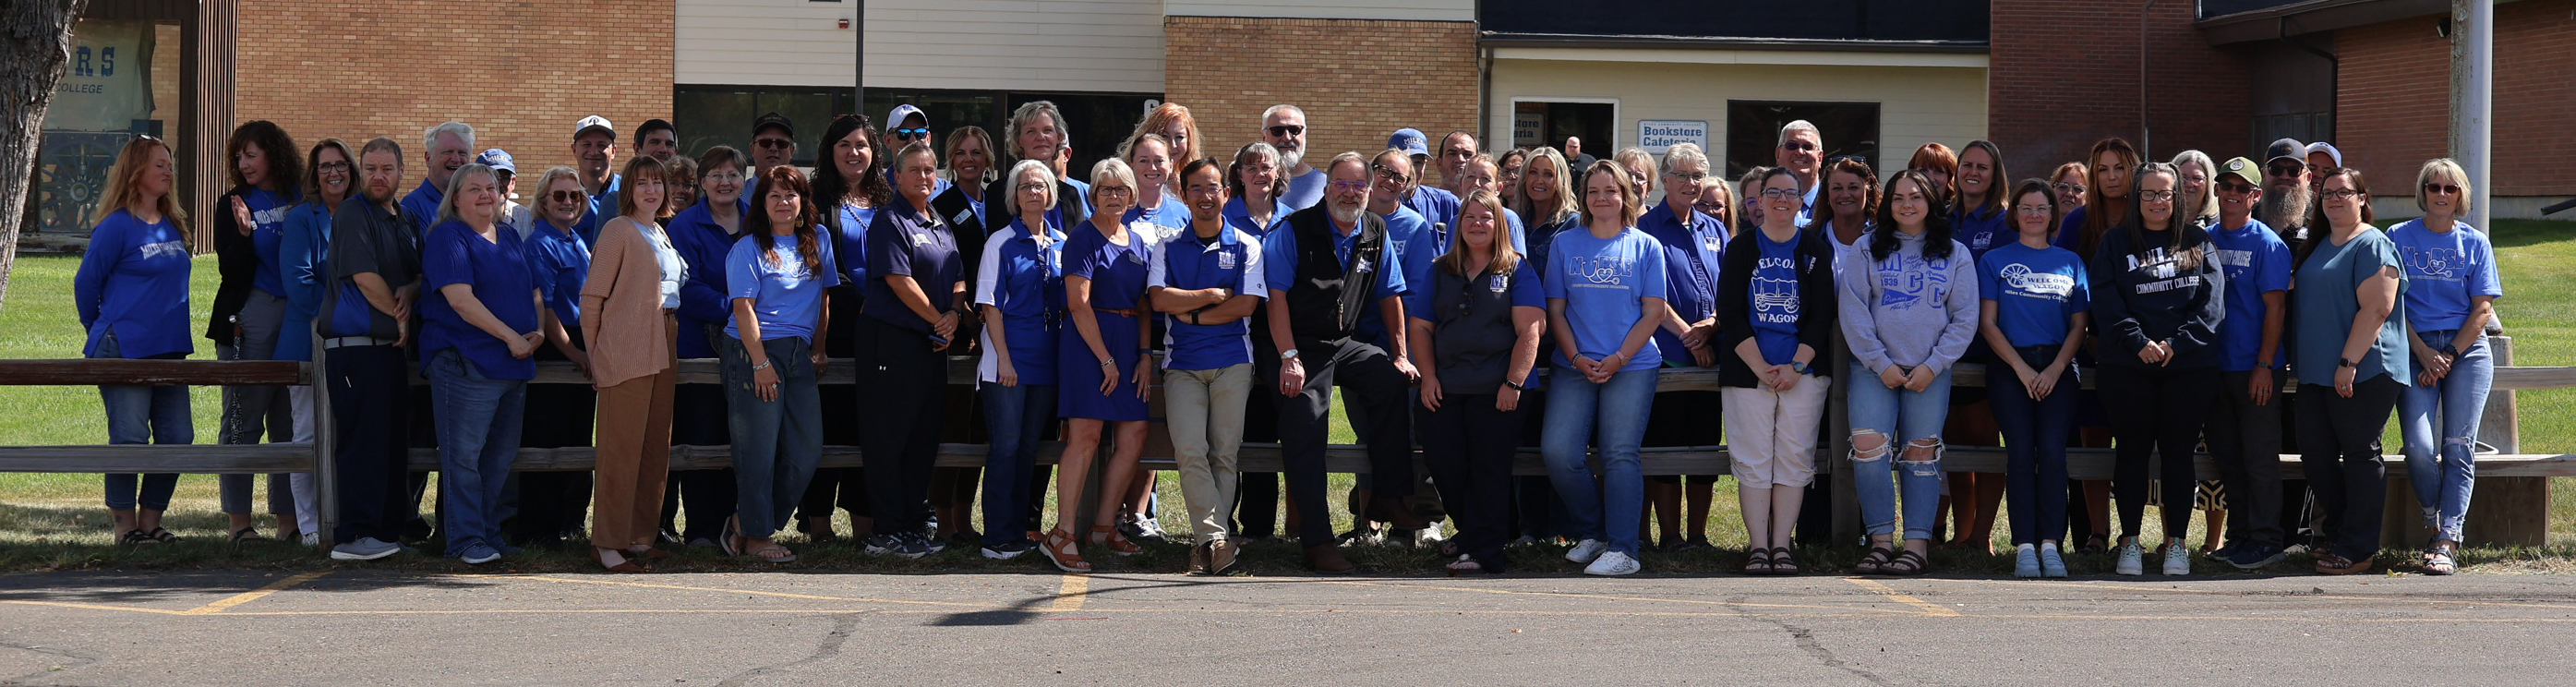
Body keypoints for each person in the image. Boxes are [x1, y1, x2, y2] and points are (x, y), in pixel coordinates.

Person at [1262, 151, 1414, 573]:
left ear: (1369, 190)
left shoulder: (1375, 230)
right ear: (1327, 188)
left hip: (1342, 342)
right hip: (1295, 345)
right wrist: (1289, 357)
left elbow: (1391, 295)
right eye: (1342, 184)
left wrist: (1401, 356)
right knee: (1307, 420)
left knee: (1388, 381)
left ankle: (1387, 498)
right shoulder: (1293, 230)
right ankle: (1317, 542)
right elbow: (1275, 299)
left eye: (1358, 185)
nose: (1350, 193)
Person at [1838, 169, 1979, 576]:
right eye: (1898, 198)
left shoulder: (1955, 253)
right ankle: (1881, 542)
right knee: (1869, 453)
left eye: (1916, 196)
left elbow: (1965, 317)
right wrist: (1879, 363)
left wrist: (1934, 365)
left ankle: (1917, 545)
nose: (1907, 204)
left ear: (1931, 202)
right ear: (1888, 205)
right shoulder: (1866, 248)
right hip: (1874, 369)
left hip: (1929, 372)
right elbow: (1853, 310)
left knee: (1920, 456)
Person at [2088, 162, 2224, 577]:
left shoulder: (2199, 241)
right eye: (2148, 193)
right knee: (2131, 452)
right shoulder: (2115, 243)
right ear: (2136, 198)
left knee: (2178, 454)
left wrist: (2175, 344)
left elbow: (2212, 305)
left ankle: (2176, 544)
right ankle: (2129, 542)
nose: (2157, 201)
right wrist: (2139, 342)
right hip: (2127, 366)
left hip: (2188, 367)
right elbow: (2105, 301)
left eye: (2165, 193)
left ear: (2178, 197)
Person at [1539, 161, 1667, 577]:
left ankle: (1625, 550)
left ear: (1625, 195)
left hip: (1631, 364)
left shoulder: (1646, 246)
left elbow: (1654, 312)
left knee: (1619, 453)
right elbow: (1555, 310)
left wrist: (1619, 358)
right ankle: (1593, 533)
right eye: (1593, 191)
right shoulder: (1565, 244)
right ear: (1583, 197)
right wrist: (1576, 357)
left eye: (1611, 190)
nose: (1602, 198)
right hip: (1574, 364)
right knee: (1559, 452)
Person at [1409, 188, 1542, 573]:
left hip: (1499, 390)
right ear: (1459, 225)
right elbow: (1420, 327)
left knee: (1488, 468)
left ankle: (1485, 551)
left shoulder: (1517, 269)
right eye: (1469, 217)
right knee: (1444, 463)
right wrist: (1428, 377)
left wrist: (1513, 383)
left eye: (1486, 217)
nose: (1477, 224)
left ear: (1499, 224)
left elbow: (1531, 330)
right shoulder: (1440, 269)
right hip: (1445, 387)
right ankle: (1473, 534)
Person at [418, 163, 543, 565]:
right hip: (466, 362)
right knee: (464, 458)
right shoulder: (448, 236)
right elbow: (461, 301)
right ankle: (464, 540)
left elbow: (534, 291)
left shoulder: (510, 236)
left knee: (498, 459)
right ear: (455, 198)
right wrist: (510, 337)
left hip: (512, 366)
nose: (486, 194)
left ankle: (489, 534)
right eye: (475, 189)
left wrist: (538, 331)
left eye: (491, 187)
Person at [1150, 158, 1268, 575]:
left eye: (1213, 187)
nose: (1205, 196)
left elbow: (1245, 305)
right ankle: (1217, 540)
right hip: (1181, 364)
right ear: (1184, 196)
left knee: (1224, 453)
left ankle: (1208, 545)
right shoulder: (1167, 247)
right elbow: (1160, 299)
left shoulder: (1247, 245)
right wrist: (1210, 295)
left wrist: (1193, 314)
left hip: (1233, 361)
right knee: (1189, 450)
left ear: (1226, 194)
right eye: (1196, 189)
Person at [77, 136, 195, 547]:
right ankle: (124, 527)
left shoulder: (171, 222)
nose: (168, 170)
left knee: (178, 437)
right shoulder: (116, 226)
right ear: (135, 171)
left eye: (169, 164)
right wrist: (100, 328)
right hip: (123, 347)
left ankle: (150, 522)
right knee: (129, 438)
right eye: (159, 164)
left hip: (170, 349)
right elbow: (86, 283)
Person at [1718, 168, 1837, 574]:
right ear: (1759, 200)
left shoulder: (1816, 249)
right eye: (1773, 193)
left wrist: (1796, 367)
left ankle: (1782, 545)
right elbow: (1730, 313)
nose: (1781, 200)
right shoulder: (1740, 248)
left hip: (1803, 373)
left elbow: (1822, 315)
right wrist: (1761, 368)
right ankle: (1758, 547)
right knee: (1753, 460)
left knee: (1794, 458)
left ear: (1801, 200)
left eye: (1790, 193)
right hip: (1748, 372)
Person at [1041, 157, 1160, 567]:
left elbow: (1144, 305)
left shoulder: (1138, 242)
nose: (1113, 196)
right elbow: (1078, 304)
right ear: (1093, 194)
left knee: (1135, 433)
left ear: (1132, 195)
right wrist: (1106, 360)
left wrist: (1144, 355)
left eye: (1121, 189)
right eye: (1105, 189)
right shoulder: (1082, 238)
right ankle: (1063, 534)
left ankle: (1104, 526)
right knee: (1086, 436)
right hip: (1089, 344)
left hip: (1128, 346)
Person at [2293, 166, 2409, 575]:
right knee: (2316, 456)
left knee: (2360, 455)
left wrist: (2348, 363)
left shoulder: (2372, 244)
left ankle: (2358, 549)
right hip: (2316, 372)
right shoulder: (2320, 243)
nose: (2335, 199)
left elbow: (2378, 308)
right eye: (2327, 193)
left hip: (2364, 369)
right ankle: (2341, 533)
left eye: (2344, 192)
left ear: (2362, 199)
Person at [721, 165, 839, 564]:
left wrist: (819, 348)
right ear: (763, 203)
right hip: (754, 351)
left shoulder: (819, 240)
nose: (783, 202)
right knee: (758, 450)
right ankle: (756, 537)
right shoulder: (749, 247)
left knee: (807, 449)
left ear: (804, 201)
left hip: (799, 353)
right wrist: (760, 364)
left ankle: (744, 521)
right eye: (774, 195)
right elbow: (743, 309)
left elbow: (823, 300)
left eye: (791, 194)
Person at [856, 142, 968, 559]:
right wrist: (939, 319)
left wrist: (954, 313)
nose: (923, 177)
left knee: (923, 438)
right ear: (897, 176)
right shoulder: (890, 220)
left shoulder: (938, 221)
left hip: (931, 344)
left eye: (929, 170)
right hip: (892, 341)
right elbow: (899, 281)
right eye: (915, 170)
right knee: (889, 438)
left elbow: (958, 275)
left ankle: (914, 525)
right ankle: (887, 531)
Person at [577, 155, 687, 572]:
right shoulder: (618, 229)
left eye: (657, 183)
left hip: (666, 336)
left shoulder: (660, 231)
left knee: (654, 445)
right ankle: (607, 543)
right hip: (626, 345)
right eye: (641, 183)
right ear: (629, 190)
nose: (650, 190)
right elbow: (592, 298)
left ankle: (639, 536)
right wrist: (596, 355)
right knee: (620, 449)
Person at [2390, 158, 2499, 576]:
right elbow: (2391, 303)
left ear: (2461, 195)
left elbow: (2483, 310)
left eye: (2449, 188)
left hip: (2466, 352)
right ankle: (2432, 518)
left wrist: (2448, 356)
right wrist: (2422, 353)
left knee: (2457, 445)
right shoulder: (2398, 237)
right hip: (2413, 349)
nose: (2441, 194)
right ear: (2423, 191)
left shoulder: (2476, 243)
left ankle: (2448, 539)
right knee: (2419, 448)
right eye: (2433, 187)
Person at [1979, 179, 2088, 577]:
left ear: (2052, 214)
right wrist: (2022, 369)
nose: (2034, 214)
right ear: (2015, 213)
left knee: (2054, 453)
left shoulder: (2071, 262)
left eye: (2042, 208)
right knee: (2021, 453)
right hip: (2011, 367)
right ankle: (2025, 546)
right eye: (2026, 207)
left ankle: (2051, 545)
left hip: (2058, 367)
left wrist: (2056, 368)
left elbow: (2080, 325)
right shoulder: (1994, 260)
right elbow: (1987, 323)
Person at [321, 137, 424, 560]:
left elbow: (419, 275)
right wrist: (400, 316)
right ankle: (354, 535)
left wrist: (411, 292)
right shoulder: (352, 213)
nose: (378, 176)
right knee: (363, 445)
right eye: (370, 169)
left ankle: (385, 535)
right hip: (356, 350)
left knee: (390, 446)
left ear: (402, 172)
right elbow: (364, 278)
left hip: (389, 353)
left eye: (386, 169)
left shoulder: (405, 218)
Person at [209, 120, 303, 543]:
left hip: (296, 316)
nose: (244, 164)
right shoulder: (233, 202)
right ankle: (239, 524)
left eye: (252, 155)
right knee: (242, 421)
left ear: (274, 154)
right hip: (251, 314)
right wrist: (245, 234)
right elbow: (230, 271)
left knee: (289, 423)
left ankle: (289, 523)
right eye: (239, 156)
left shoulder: (300, 196)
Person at [2201, 157, 2294, 571]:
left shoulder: (2267, 244)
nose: (2233, 194)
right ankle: (2240, 535)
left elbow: (2276, 309)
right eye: (2227, 186)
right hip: (2215, 367)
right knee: (2229, 457)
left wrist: (2264, 365)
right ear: (2217, 191)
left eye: (2243, 188)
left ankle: (2267, 539)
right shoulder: (2205, 239)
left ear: (2256, 196)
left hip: (2254, 367)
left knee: (2259, 457)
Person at [973, 160, 1068, 562]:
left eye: (1040, 185)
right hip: (1008, 362)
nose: (1033, 192)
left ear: (1051, 194)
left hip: (1047, 363)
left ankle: (1021, 530)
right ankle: (997, 536)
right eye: (1026, 186)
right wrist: (1005, 361)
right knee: (1006, 447)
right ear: (1014, 195)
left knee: (1029, 449)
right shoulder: (1000, 243)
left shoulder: (1062, 243)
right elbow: (990, 307)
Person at [803, 114, 890, 542]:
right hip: (834, 328)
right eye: (845, 145)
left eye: (862, 145)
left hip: (884, 330)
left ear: (874, 151)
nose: (854, 152)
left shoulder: (888, 199)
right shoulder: (815, 199)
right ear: (830, 150)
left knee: (870, 426)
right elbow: (821, 265)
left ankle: (864, 525)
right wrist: (867, 303)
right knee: (828, 425)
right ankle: (818, 524)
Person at [661, 146, 751, 548]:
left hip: (751, 347)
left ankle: (735, 524)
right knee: (701, 433)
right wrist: (737, 309)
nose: (724, 182)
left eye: (732, 174)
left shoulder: (758, 220)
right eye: (715, 175)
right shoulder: (684, 225)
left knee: (740, 436)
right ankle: (700, 529)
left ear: (743, 181)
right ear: (702, 183)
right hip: (699, 346)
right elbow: (686, 285)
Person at [1639, 143, 1726, 552]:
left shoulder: (1715, 229)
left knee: (1705, 447)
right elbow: (1649, 295)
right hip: (1666, 355)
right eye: (1682, 175)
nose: (1691, 183)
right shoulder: (1646, 228)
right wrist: (1690, 336)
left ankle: (1698, 536)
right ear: (1665, 179)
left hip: (1712, 357)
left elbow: (1731, 287)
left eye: (1697, 176)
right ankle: (1671, 537)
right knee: (1666, 447)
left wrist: (1712, 325)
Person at [512, 165, 598, 548]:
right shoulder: (541, 243)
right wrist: (575, 353)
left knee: (577, 437)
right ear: (543, 202)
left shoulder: (576, 239)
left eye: (575, 195)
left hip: (581, 344)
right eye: (559, 195)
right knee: (547, 439)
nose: (568, 202)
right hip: (556, 346)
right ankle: (537, 528)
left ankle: (569, 521)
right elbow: (545, 310)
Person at [277, 137, 355, 546]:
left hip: (358, 344)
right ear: (315, 173)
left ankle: (346, 518)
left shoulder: (365, 214)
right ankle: (309, 525)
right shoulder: (300, 219)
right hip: (308, 342)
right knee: (307, 435)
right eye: (325, 166)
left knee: (349, 434)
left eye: (341, 164)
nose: (334, 173)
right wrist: (353, 312)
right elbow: (300, 285)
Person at [1942, 140, 2014, 552]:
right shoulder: (1942, 219)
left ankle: (1982, 536)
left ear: (1995, 174)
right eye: (1966, 165)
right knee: (1953, 442)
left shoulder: (2005, 222)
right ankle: (1961, 534)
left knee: (1984, 442)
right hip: (1943, 348)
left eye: (1982, 167)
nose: (1972, 172)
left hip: (1986, 348)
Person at [1221, 141, 1291, 540]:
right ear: (1239, 174)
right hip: (1230, 331)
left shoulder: (1293, 220)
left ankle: (1260, 526)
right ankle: (1222, 521)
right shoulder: (1224, 217)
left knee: (1264, 430)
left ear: (1278, 174)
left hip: (1276, 336)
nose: (1260, 174)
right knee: (1228, 431)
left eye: (1267, 167)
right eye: (1251, 167)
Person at [2057, 138, 2138, 258]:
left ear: (2132, 171)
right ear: (2095, 176)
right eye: (2103, 169)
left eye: (2119, 168)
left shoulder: (2147, 217)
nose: (2111, 177)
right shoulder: (2076, 221)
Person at [403, 121, 474, 235]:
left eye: (462, 153)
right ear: (428, 159)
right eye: (448, 152)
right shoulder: (412, 207)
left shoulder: (473, 203)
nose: (456, 159)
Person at [1389, 128, 1461, 232]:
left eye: (1417, 163)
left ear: (1425, 164)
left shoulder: (1445, 204)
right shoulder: (1375, 205)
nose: (1411, 170)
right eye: (1405, 162)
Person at [1122, 133, 1190, 230]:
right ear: (1132, 165)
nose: (1152, 168)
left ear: (1171, 165)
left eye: (1159, 161)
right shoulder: (1119, 211)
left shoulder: (1182, 213)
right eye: (1144, 161)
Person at [1263, 104, 1324, 211]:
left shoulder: (1326, 185)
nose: (1287, 138)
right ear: (1264, 137)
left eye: (1295, 130)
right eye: (1277, 131)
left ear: (1304, 135)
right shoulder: (1249, 183)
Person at [1808, 158, 1877, 249]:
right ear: (1827, 192)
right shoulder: (1809, 238)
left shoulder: (1883, 236)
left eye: (1853, 187)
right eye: (1837, 188)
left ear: (1868, 191)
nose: (1845, 195)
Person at [571, 116, 620, 244]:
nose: (593, 152)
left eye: (601, 145)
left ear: (613, 151)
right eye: (586, 144)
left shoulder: (630, 190)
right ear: (574, 150)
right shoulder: (561, 195)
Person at [1776, 121, 1824, 224]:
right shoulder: (1764, 203)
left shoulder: (1834, 201)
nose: (1800, 152)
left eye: (1808, 147)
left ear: (1820, 158)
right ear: (1778, 154)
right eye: (1792, 146)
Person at [484, 150, 525, 235]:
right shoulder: (464, 218)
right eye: (493, 178)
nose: (499, 184)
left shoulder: (527, 218)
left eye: (505, 178)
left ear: (513, 182)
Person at [750, 113, 799, 177]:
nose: (773, 148)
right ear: (752, 149)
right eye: (765, 142)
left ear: (791, 151)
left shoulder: (803, 184)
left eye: (781, 143)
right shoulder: (738, 184)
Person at [1909, 143, 1957, 208]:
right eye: (1924, 171)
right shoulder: (1902, 210)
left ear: (1950, 177)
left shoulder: (1959, 212)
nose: (1930, 179)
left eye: (1939, 171)